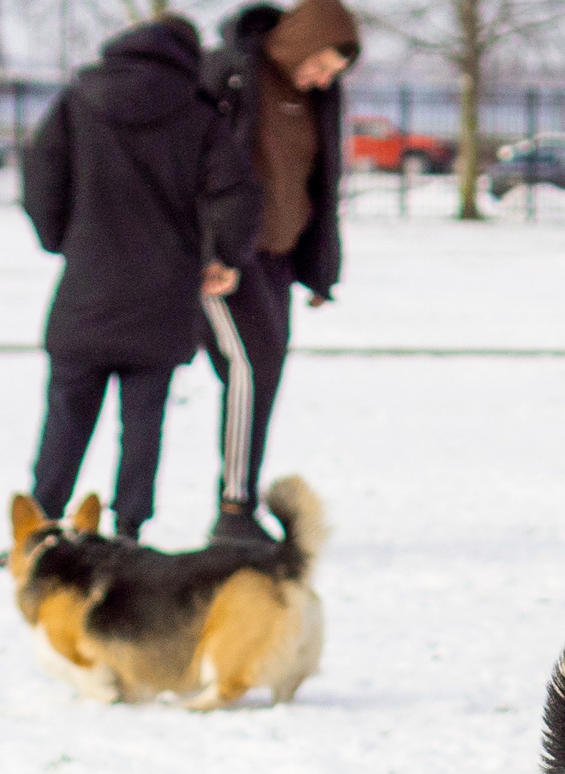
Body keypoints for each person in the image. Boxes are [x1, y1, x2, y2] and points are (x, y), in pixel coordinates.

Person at [21, 13, 254, 542]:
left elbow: (41, 174)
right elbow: (235, 191)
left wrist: (60, 237)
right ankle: (128, 528)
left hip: (88, 283)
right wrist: (223, 256)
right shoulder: (199, 115)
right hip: (164, 290)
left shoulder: (78, 101)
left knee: (65, 413)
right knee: (144, 422)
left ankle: (41, 523)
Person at [201, 0, 360, 544]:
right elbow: (196, 164)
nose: (323, 80)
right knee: (249, 368)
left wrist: (319, 269)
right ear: (298, 43)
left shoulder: (316, 97)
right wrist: (210, 249)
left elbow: (321, 182)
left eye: (333, 73)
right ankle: (234, 510)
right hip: (226, 258)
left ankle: (238, 504)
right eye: (321, 65)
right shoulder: (232, 73)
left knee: (263, 375)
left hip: (278, 258)